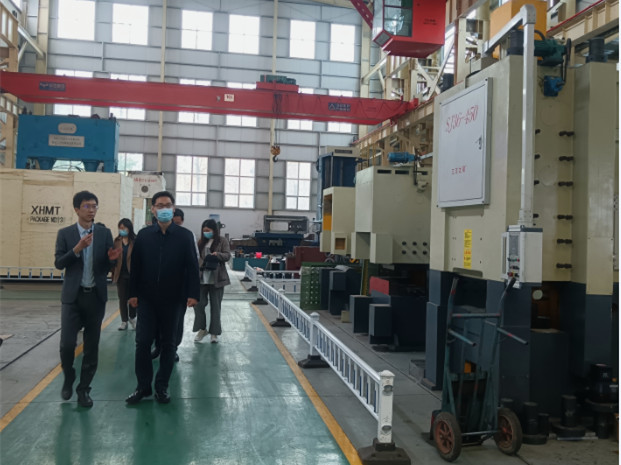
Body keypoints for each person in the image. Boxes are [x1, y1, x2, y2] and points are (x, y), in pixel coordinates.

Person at [126, 191, 199, 404]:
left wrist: (193, 294)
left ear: (173, 209)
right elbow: (135, 266)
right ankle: (143, 387)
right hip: (147, 298)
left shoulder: (185, 236)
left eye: (168, 205)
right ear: (153, 209)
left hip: (174, 299)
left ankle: (162, 387)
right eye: (160, 205)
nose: (164, 209)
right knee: (142, 342)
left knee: (169, 344)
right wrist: (132, 293)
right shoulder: (144, 235)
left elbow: (192, 266)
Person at [54, 191, 121, 408]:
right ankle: (69, 375)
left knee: (91, 347)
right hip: (72, 298)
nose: (91, 210)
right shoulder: (65, 234)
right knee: (67, 345)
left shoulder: (104, 233)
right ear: (76, 209)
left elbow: (105, 266)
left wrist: (112, 261)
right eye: (86, 206)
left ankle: (84, 389)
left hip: (95, 297)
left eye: (94, 206)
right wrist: (77, 249)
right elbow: (59, 263)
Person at [151, 208, 199, 361]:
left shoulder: (187, 236)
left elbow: (194, 262)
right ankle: (158, 346)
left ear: (182, 222)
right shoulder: (154, 235)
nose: (175, 226)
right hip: (157, 287)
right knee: (157, 320)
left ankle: (173, 349)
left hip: (179, 288)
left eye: (178, 224)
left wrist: (192, 293)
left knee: (176, 322)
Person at [193, 219, 231, 344]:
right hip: (201, 278)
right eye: (204, 230)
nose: (206, 233)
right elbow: (195, 257)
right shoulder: (200, 242)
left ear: (214, 230)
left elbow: (227, 255)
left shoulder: (222, 241)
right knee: (198, 304)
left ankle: (214, 333)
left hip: (217, 278)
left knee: (216, 306)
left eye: (208, 230)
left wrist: (217, 255)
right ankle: (202, 329)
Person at [111, 218, 137, 331]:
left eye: (124, 228)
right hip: (121, 275)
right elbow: (113, 257)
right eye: (120, 228)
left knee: (133, 298)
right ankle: (124, 321)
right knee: (122, 298)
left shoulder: (135, 241)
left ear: (129, 228)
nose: (122, 230)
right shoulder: (116, 242)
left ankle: (132, 317)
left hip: (133, 274)